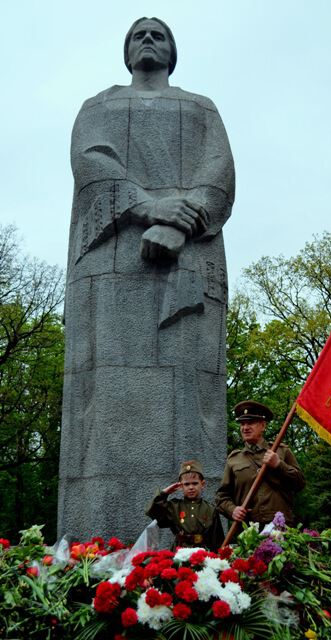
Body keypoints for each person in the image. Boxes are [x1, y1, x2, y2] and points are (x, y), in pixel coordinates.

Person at [58, 17, 235, 541]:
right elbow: (92, 165)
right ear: (126, 51)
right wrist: (151, 207)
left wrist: (187, 224)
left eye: (160, 33)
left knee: (191, 391)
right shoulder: (98, 107)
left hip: (191, 258)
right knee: (104, 387)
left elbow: (219, 173)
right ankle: (94, 545)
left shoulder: (201, 108)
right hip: (111, 268)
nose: (149, 38)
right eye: (139, 33)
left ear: (174, 51)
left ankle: (200, 549)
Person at [216, 400, 305, 527]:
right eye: (242, 423)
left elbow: (300, 483)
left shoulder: (281, 451)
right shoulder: (234, 459)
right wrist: (232, 510)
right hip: (248, 529)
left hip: (281, 528)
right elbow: (221, 497)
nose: (245, 428)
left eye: (251, 423)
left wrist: (279, 465)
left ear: (263, 425)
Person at [146, 460, 224, 550]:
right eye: (186, 484)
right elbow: (153, 512)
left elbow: (217, 540)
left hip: (203, 553)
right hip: (178, 554)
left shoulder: (210, 509)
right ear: (180, 486)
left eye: (195, 483)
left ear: (202, 484)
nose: (191, 487)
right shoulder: (174, 507)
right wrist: (164, 493)